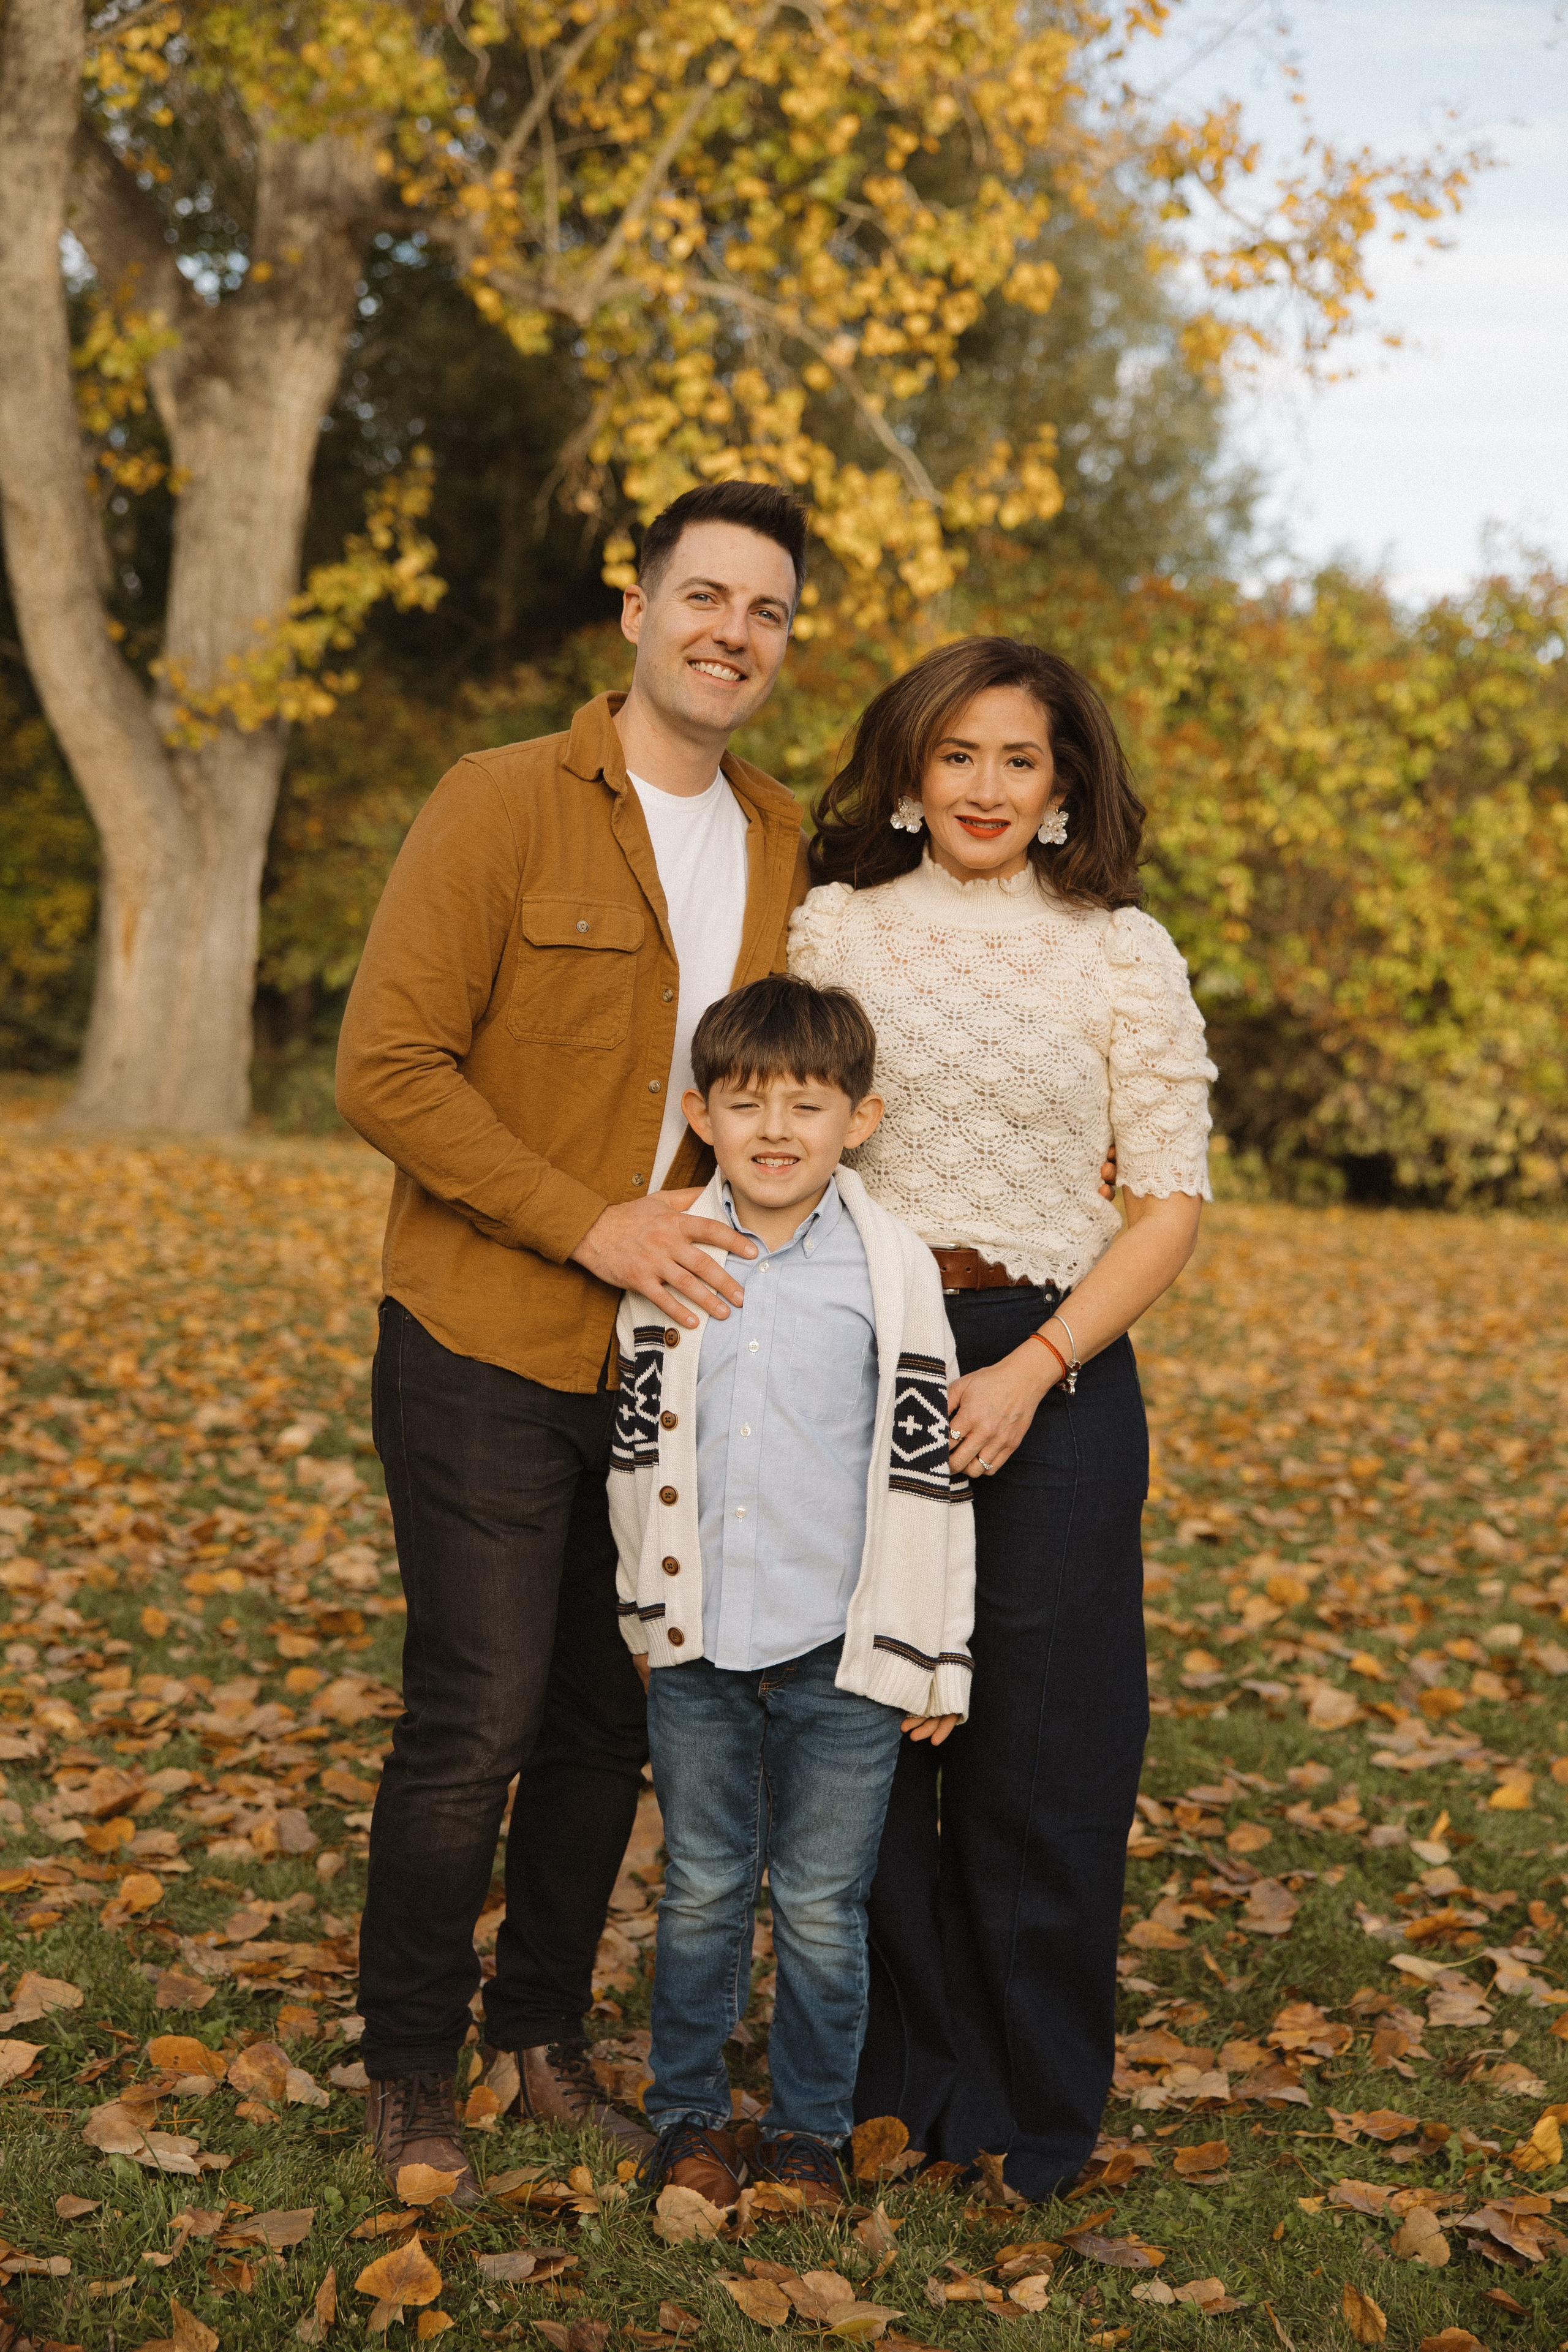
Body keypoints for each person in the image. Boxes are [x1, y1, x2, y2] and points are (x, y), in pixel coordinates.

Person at [334, 480, 815, 2198]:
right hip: (479, 1332)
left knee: (610, 1719)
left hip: (672, 1370)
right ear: (635, 607)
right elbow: (386, 1067)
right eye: (703, 595)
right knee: (475, 1713)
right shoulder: (499, 804)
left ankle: (541, 2042)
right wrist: (587, 1219)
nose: (730, 632)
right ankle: (408, 2063)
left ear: (784, 642)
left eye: (764, 610)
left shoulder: (786, 844)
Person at [788, 635, 1215, 2202]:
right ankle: (899, 2090)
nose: (982, 786)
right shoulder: (833, 925)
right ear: (909, 771)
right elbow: (788, 1144)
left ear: (1059, 788)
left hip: (1058, 1363)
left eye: (1015, 760)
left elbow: (1166, 1208)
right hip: (863, 1354)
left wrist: (1034, 1365)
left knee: (1045, 1747)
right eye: (954, 754)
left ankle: (1033, 2118)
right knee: (865, 1744)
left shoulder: (1120, 952)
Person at [608, 974, 975, 2209]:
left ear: (858, 1120)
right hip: (700, 1642)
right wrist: (640, 1617)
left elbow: (926, 1469)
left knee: (822, 1904)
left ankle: (811, 2132)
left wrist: (935, 1651)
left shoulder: (891, 1272)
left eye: (804, 1106)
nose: (773, 1130)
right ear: (698, 1112)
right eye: (744, 1102)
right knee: (705, 1888)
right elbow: (632, 1456)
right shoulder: (668, 1262)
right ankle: (691, 2122)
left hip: (842, 1649)